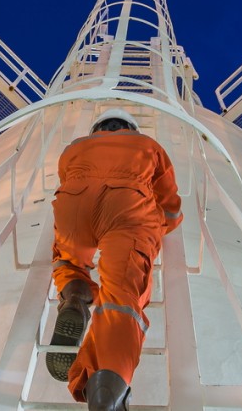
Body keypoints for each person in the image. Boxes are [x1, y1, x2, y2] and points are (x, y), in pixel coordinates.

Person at [47, 108, 183, 411]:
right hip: (126, 207)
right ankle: (107, 389)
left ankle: (75, 294)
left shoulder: (74, 148)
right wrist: (161, 226)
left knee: (67, 257)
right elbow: (170, 204)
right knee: (121, 296)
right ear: (131, 128)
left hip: (73, 206)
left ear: (96, 129)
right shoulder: (148, 145)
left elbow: (66, 181)